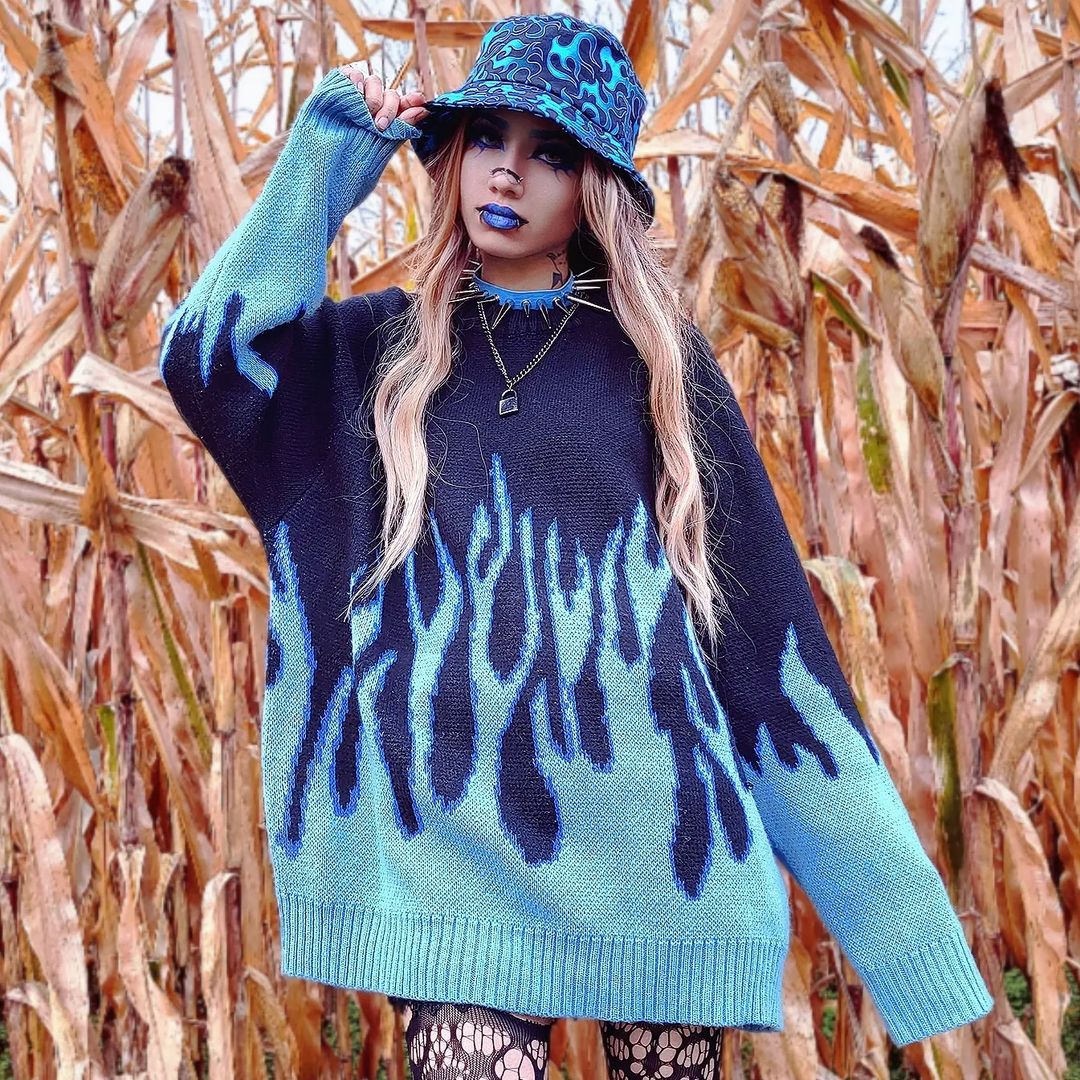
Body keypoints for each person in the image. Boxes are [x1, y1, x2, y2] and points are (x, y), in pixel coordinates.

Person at [158, 13, 994, 1079]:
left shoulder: (658, 365)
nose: (507, 173)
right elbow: (207, 363)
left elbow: (770, 657)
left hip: (668, 880)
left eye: (548, 152)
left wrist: (907, 946)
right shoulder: (372, 354)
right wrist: (327, 161)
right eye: (486, 138)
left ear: (593, 188)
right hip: (452, 876)